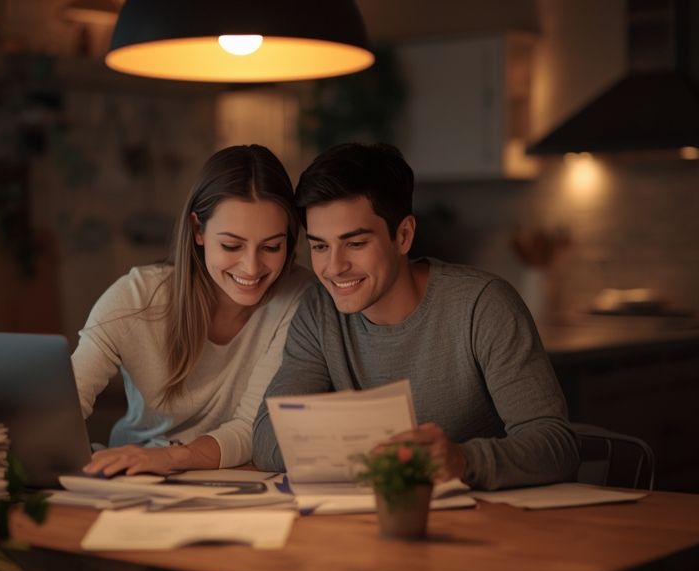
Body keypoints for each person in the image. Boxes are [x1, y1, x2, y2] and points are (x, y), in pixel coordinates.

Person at [251, 142, 579, 490]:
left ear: (404, 235)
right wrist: (384, 456)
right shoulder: (318, 313)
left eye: (356, 243)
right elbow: (268, 438)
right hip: (367, 523)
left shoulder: (483, 306)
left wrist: (463, 461)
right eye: (319, 246)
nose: (334, 267)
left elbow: (556, 446)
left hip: (487, 524)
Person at [73, 144, 312, 477]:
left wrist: (171, 459)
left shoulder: (299, 298)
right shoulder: (136, 297)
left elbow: (251, 427)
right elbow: (66, 404)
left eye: (272, 246)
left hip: (233, 480)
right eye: (232, 245)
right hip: (131, 476)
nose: (252, 267)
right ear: (198, 230)